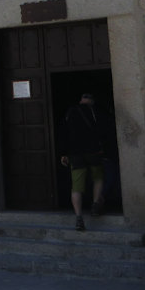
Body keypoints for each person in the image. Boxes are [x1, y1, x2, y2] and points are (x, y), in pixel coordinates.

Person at [60, 92, 114, 231]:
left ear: (81, 100)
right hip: (94, 151)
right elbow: (105, 130)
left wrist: (64, 153)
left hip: (75, 154)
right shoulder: (97, 111)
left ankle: (79, 218)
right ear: (92, 101)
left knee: (77, 186)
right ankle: (96, 204)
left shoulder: (70, 112)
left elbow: (65, 133)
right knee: (98, 177)